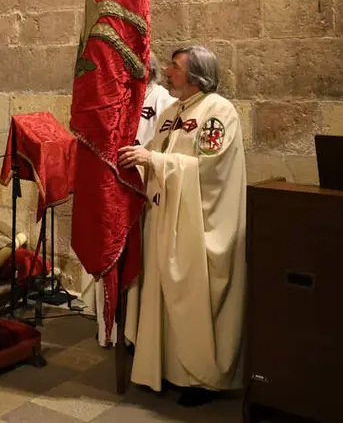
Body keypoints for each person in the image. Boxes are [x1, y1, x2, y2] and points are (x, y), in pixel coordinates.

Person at [116, 45, 246, 406]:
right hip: (166, 219)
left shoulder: (219, 112)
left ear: (196, 75)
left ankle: (200, 379)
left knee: (194, 298)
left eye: (174, 67)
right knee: (164, 294)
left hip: (198, 224)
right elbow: (157, 156)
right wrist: (137, 161)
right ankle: (166, 369)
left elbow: (209, 169)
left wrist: (154, 159)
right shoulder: (173, 111)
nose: (167, 73)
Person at [86, 53, 176, 346]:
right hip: (116, 189)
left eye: (126, 71)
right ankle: (110, 329)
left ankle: (136, 335)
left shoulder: (162, 100)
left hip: (143, 191)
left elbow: (162, 147)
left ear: (144, 73)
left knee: (139, 264)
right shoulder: (121, 98)